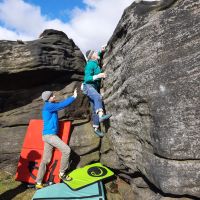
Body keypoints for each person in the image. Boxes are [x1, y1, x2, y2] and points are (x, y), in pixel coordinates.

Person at [35, 88, 77, 189]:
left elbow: (59, 104)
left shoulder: (49, 105)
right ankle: (62, 173)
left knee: (46, 160)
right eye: (52, 96)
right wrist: (73, 97)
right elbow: (61, 105)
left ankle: (38, 183)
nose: (54, 96)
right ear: (48, 99)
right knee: (67, 150)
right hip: (50, 136)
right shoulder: (49, 106)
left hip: (47, 136)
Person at [82, 48, 111, 137]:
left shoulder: (95, 62)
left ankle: (96, 128)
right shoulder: (90, 64)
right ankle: (101, 116)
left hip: (93, 87)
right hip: (88, 86)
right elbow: (86, 78)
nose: (96, 52)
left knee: (94, 109)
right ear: (91, 56)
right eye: (94, 52)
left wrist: (101, 51)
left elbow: (98, 56)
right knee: (98, 97)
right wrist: (98, 76)